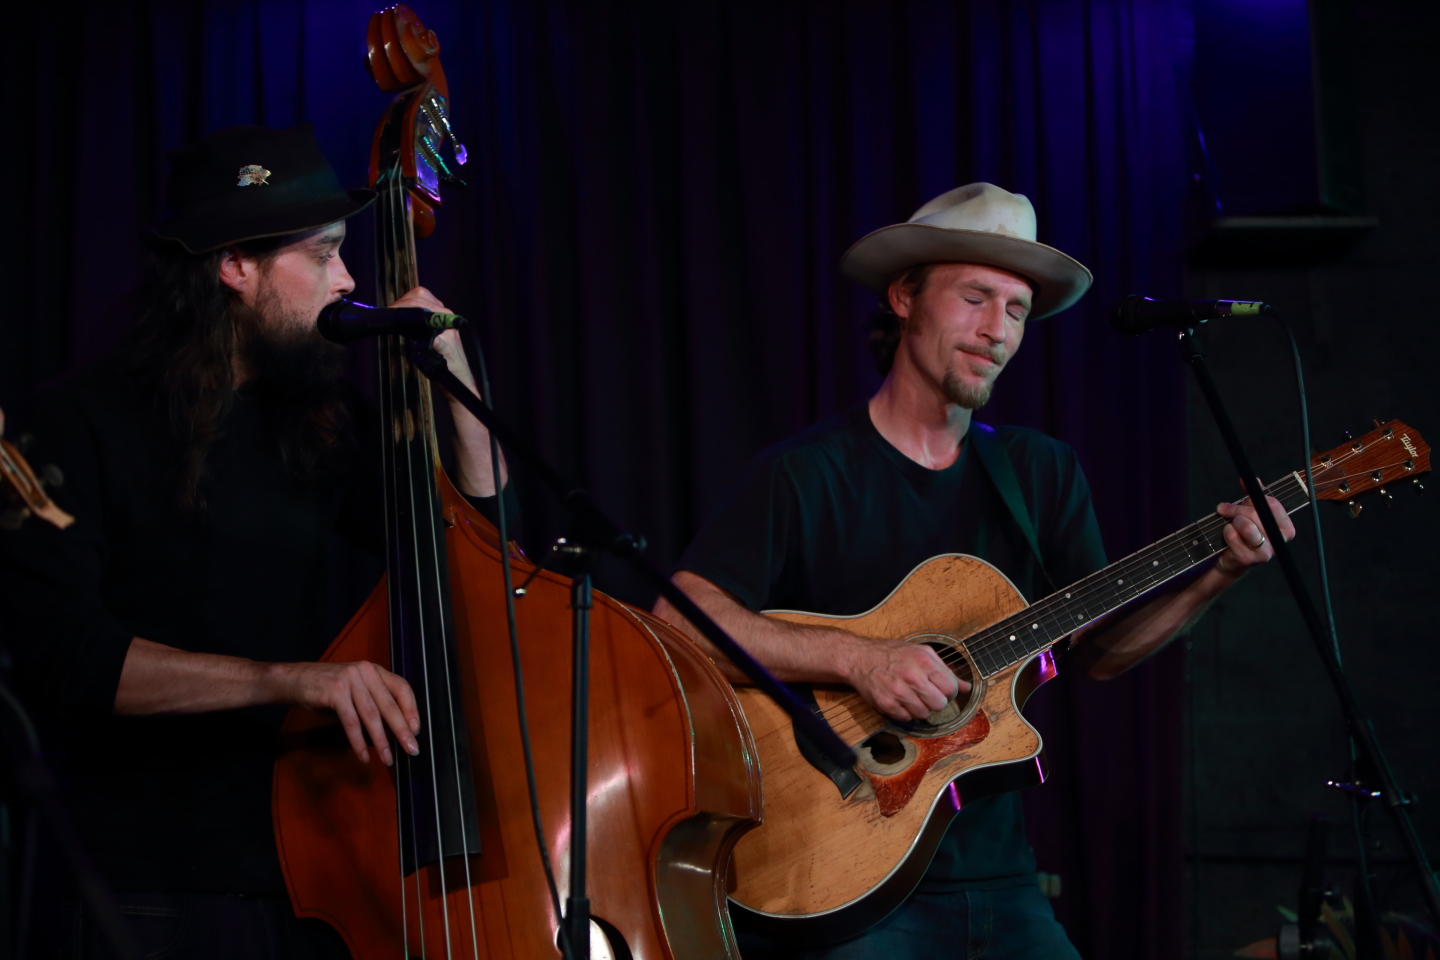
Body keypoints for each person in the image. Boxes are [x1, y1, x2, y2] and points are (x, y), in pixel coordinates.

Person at [653, 183, 1295, 959]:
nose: (997, 331)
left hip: (1000, 880)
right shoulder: (805, 474)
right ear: (903, 298)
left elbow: (1098, 652)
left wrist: (1219, 572)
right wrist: (858, 659)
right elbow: (677, 621)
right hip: (836, 872)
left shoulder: (1040, 472)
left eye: (1017, 310)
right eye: (974, 299)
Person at [0, 123, 506, 957]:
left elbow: (479, 551)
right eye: (323, 255)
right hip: (154, 885)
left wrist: (456, 386)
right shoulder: (77, 421)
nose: (348, 280)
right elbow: (69, 660)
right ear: (235, 266)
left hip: (319, 873)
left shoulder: (322, 423)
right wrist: (293, 680)